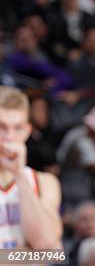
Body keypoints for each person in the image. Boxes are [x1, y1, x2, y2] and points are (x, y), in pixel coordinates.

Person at [0, 86, 62, 250]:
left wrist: (19, 174)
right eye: (2, 127)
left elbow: (50, 249)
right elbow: (48, 250)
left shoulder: (45, 182)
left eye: (17, 128)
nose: (9, 137)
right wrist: (30, 250)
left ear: (28, 130)